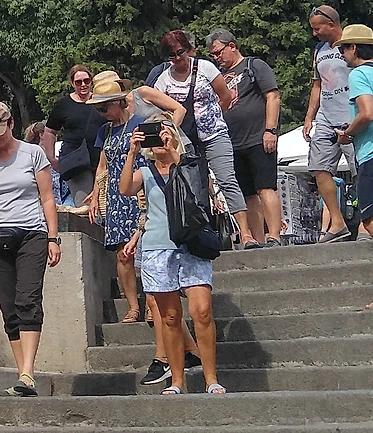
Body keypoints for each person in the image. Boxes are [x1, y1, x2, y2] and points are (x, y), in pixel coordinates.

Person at [120, 120, 226, 393]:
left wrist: (171, 150)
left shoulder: (189, 164)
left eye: (163, 132)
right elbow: (125, 189)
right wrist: (132, 153)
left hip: (191, 244)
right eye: (153, 135)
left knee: (202, 310)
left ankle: (211, 378)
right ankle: (177, 380)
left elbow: (197, 184)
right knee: (169, 315)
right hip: (157, 246)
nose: (157, 139)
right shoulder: (145, 172)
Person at [0, 101, 61, 396]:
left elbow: (47, 197)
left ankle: (28, 373)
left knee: (27, 300)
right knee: (9, 308)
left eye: (0, 132)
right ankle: (23, 377)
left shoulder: (32, 154)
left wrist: (53, 237)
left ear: (11, 125)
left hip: (31, 233)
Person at [139, 29, 251, 247]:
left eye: (180, 52)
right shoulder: (164, 80)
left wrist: (214, 116)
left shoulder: (205, 68)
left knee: (227, 179)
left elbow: (225, 96)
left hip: (214, 134)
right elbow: (160, 111)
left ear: (188, 49)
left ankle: (245, 234)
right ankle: (201, 235)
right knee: (194, 185)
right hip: (186, 140)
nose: (177, 58)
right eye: (171, 55)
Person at [334, 25, 373, 310]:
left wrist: (348, 132)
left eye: (342, 48)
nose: (341, 54)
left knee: (370, 220)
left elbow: (368, 113)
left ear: (354, 48)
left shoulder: (359, 74)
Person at [207, 30, 284, 245]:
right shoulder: (218, 76)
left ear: (232, 46)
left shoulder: (254, 65)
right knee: (246, 193)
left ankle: (274, 235)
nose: (217, 57)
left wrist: (270, 130)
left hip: (258, 137)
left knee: (265, 187)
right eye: (213, 55)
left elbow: (273, 96)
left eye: (218, 52)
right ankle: (256, 240)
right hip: (231, 141)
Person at [85, 72, 145, 324]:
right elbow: (102, 165)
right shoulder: (105, 131)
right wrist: (95, 194)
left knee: (145, 249)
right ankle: (133, 305)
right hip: (115, 196)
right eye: (98, 109)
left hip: (140, 192)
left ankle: (153, 301)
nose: (101, 112)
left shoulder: (140, 123)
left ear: (119, 102)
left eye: (104, 107)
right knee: (122, 253)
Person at [303, 6, 355, 240]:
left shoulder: (352, 43)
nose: (314, 33)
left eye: (317, 29)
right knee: (319, 167)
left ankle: (368, 224)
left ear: (331, 24)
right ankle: (337, 221)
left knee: (360, 170)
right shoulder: (319, 50)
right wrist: (309, 117)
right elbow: (318, 84)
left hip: (351, 114)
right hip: (326, 115)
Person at [46, 66, 103, 207]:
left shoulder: (100, 101)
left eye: (86, 80)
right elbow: (50, 131)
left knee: (104, 204)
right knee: (84, 205)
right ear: (72, 83)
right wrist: (52, 159)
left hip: (101, 160)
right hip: (76, 162)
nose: (83, 85)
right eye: (78, 82)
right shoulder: (63, 104)